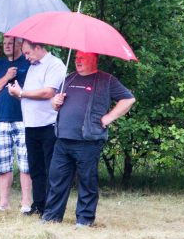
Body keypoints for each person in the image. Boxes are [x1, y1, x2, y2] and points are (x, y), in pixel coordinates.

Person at [42, 52, 135, 226]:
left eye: (82, 57)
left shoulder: (106, 80)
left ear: (94, 59)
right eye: (77, 57)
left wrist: (109, 117)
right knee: (57, 180)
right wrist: (55, 102)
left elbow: (129, 99)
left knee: (87, 181)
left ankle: (84, 220)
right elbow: (55, 106)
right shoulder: (68, 79)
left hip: (88, 140)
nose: (77, 60)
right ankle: (51, 217)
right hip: (62, 139)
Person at [8, 40, 65, 216]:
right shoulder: (33, 66)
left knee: (50, 168)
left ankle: (50, 206)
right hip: (31, 124)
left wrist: (22, 93)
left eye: (28, 53)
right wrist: (18, 93)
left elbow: (48, 92)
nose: (26, 57)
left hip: (48, 124)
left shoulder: (55, 64)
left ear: (38, 48)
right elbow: (30, 96)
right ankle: (38, 204)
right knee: (35, 168)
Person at [0, 36, 33, 213]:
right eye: (4, 43)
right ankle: (4, 202)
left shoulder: (28, 63)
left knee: (25, 162)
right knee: (3, 162)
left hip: (24, 118)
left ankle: (26, 202)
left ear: (19, 44)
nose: (6, 46)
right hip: (1, 119)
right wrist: (6, 77)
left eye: (10, 43)